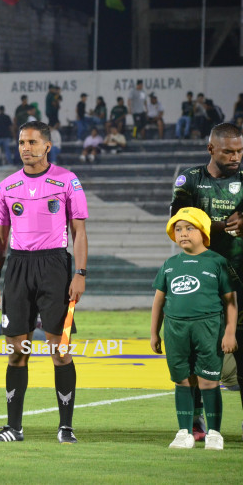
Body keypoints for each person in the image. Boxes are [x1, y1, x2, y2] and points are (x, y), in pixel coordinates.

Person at [0, 120, 88, 444]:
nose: (25, 148)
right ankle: (13, 428)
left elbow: (79, 233)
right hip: (17, 267)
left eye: (31, 142)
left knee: (60, 349)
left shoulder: (67, 180)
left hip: (55, 266)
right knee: (17, 352)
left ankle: (66, 427)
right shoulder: (7, 186)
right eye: (20, 142)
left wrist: (80, 274)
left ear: (47, 146)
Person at [170, 122, 243, 441]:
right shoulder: (190, 180)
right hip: (200, 279)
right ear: (211, 149)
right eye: (229, 151)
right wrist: (213, 226)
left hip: (239, 277)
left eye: (240, 151)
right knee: (198, 352)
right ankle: (196, 422)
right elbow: (176, 222)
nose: (236, 157)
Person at [150, 207, 238, 450]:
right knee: (182, 381)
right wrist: (154, 332)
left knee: (208, 382)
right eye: (178, 229)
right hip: (175, 329)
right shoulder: (169, 264)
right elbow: (159, 300)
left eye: (190, 228)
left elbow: (231, 300)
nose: (183, 233)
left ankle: (214, 433)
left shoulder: (218, 262)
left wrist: (229, 332)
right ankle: (184, 432)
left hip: (208, 328)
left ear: (203, 232)